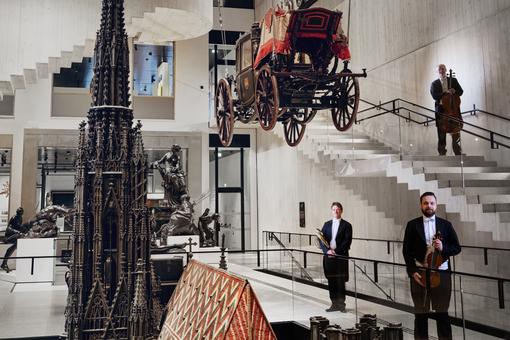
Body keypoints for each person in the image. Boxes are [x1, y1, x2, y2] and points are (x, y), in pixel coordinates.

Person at [403, 192, 461, 340]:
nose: (429, 206)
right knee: (421, 313)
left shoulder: (446, 225)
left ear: (436, 205)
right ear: (421, 205)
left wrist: (443, 248)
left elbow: (456, 248)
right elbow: (406, 251)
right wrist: (412, 271)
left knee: (442, 313)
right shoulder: (412, 225)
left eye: (431, 203)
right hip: (420, 274)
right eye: (425, 203)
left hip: (442, 275)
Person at [319, 202, 353, 312]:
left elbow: (347, 243)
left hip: (340, 257)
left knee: (340, 281)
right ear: (331, 211)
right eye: (334, 209)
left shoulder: (347, 225)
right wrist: (327, 251)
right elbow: (321, 241)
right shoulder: (326, 224)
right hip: (328, 257)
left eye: (338, 209)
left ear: (341, 211)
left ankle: (341, 305)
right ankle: (334, 304)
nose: (336, 211)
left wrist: (335, 251)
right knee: (331, 281)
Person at [430, 64, 464, 155]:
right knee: (441, 132)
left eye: (443, 69)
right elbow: (434, 96)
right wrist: (445, 93)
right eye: (439, 69)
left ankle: (458, 152)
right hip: (441, 110)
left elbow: (461, 92)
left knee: (456, 131)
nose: (442, 70)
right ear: (437, 72)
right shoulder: (434, 83)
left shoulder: (453, 80)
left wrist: (454, 91)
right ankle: (442, 153)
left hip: (453, 109)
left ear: (445, 70)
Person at [1, 207, 26, 272]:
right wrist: (16, 231)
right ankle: (6, 240)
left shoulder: (20, 218)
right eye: (18, 211)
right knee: (19, 235)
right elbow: (9, 228)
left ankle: (4, 263)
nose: (19, 213)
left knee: (14, 246)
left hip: (15, 236)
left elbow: (19, 227)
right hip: (9, 235)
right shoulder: (14, 217)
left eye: (20, 211)